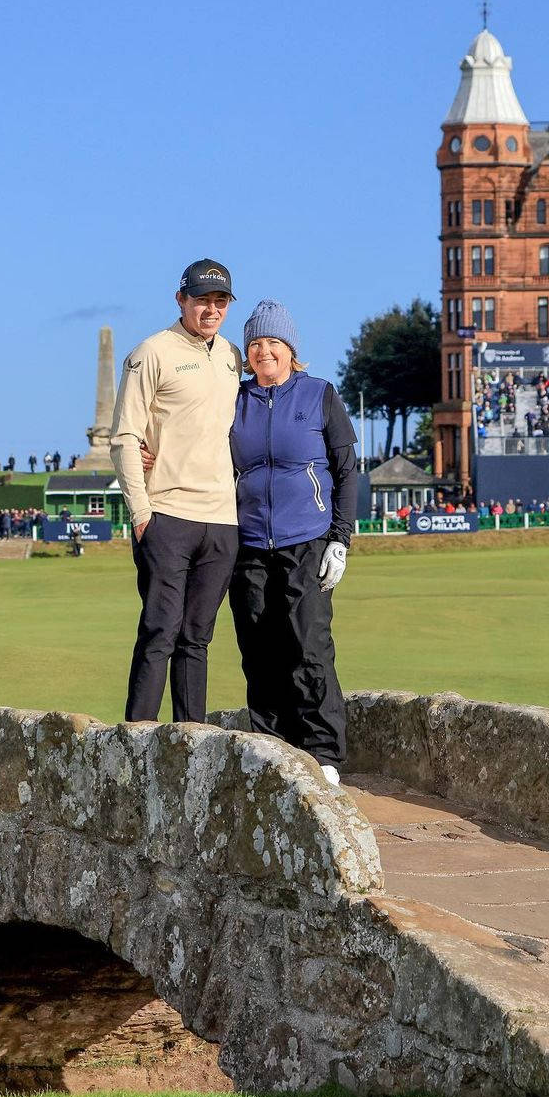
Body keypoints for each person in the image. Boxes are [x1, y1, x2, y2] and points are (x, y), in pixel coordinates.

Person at [228, 301, 357, 784]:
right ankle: (272, 747)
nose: (264, 351)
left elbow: (345, 473)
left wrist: (340, 540)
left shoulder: (319, 395)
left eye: (272, 343)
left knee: (308, 644)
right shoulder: (235, 400)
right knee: (258, 646)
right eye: (255, 344)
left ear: (291, 350)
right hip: (249, 542)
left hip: (309, 539)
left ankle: (323, 752)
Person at [110, 258, 241, 723]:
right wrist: (141, 512)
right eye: (201, 299)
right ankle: (137, 743)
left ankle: (192, 744)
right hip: (166, 513)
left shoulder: (231, 356)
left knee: (197, 638)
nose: (211, 309)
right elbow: (125, 436)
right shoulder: (152, 352)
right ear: (180, 299)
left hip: (222, 520)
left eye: (220, 300)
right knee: (160, 631)